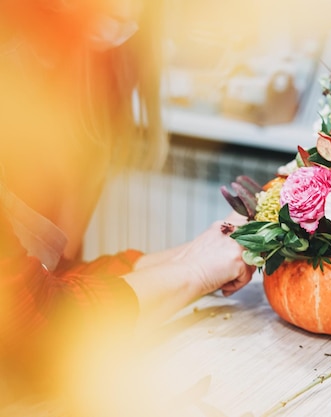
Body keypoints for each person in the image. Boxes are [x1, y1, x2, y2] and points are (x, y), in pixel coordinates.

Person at [0, 0, 255, 412]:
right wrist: (196, 270)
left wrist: (197, 251)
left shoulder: (104, 65)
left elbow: (53, 276)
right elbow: (33, 328)